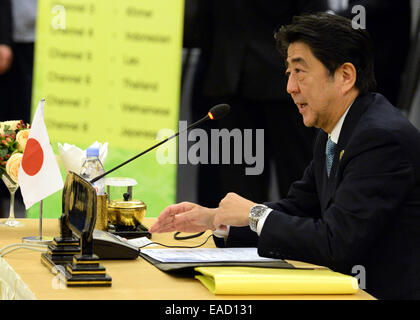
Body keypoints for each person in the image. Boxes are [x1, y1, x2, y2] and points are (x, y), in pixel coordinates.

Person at [151, 12, 420, 300]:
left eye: (300, 72)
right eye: (288, 73)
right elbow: (297, 208)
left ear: (345, 76)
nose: (290, 88)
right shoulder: (336, 130)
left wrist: (254, 214)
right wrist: (217, 218)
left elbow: (337, 241)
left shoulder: (380, 139)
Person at [183, 1, 326, 208]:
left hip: (283, 84)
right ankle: (243, 239)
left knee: (299, 182)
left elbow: (313, 20)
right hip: (233, 80)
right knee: (239, 188)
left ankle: (300, 238)